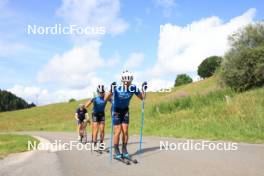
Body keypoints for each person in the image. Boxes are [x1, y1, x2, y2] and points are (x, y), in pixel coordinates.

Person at [105, 70, 147, 159]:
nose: (127, 83)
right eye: (125, 81)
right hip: (116, 110)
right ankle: (116, 150)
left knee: (126, 131)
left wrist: (144, 89)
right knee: (118, 131)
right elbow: (105, 98)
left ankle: (124, 149)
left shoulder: (133, 88)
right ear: (122, 81)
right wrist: (111, 90)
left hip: (125, 110)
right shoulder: (117, 88)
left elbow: (142, 98)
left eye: (129, 81)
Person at [85, 85, 110, 150]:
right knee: (96, 129)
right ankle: (94, 143)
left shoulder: (106, 97)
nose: (101, 93)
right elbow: (86, 106)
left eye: (102, 92)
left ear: (104, 92)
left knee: (102, 130)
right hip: (95, 114)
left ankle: (101, 144)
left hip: (102, 114)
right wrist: (91, 99)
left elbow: (114, 102)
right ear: (97, 92)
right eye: (99, 92)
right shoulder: (95, 98)